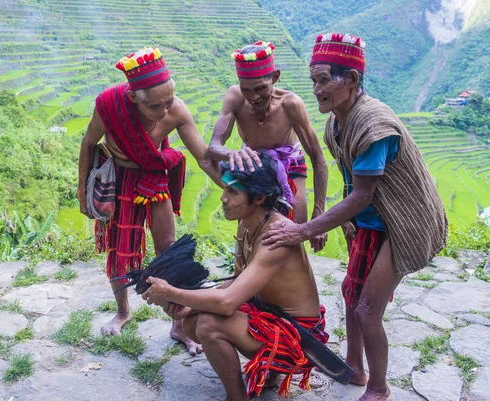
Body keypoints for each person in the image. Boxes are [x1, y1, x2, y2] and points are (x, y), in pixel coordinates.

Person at [261, 33, 447, 401]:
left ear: (352, 81)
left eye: (324, 79)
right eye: (313, 80)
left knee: (367, 308)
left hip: (405, 223)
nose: (316, 89)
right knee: (351, 295)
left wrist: (304, 229)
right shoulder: (337, 121)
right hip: (373, 220)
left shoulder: (373, 126)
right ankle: (354, 366)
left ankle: (379, 388)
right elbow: (352, 181)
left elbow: (363, 193)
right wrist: (347, 221)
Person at [142, 151, 329, 401]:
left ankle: (237, 396)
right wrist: (188, 304)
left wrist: (172, 293)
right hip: (268, 312)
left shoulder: (277, 236)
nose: (223, 198)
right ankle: (270, 374)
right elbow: (237, 281)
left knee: (208, 323)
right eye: (225, 190)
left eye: (233, 192)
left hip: (296, 332)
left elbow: (229, 301)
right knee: (190, 321)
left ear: (259, 197)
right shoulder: (247, 223)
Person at [77, 47, 220, 355]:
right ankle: (123, 311)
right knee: (120, 253)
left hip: (154, 180)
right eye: (155, 105)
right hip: (120, 182)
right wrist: (82, 194)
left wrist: (231, 188)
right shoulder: (109, 105)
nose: (164, 110)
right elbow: (89, 142)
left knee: (168, 251)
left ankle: (179, 326)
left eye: (169, 101)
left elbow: (205, 159)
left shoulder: (177, 110)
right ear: (133, 99)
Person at [207, 41, 328, 251]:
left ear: (275, 77)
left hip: (289, 167)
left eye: (261, 88)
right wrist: (232, 155)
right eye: (247, 90)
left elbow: (318, 158)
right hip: (254, 169)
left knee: (292, 233)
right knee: (248, 237)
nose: (254, 97)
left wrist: (319, 214)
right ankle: (245, 276)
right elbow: (214, 147)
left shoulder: (291, 104)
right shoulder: (235, 97)